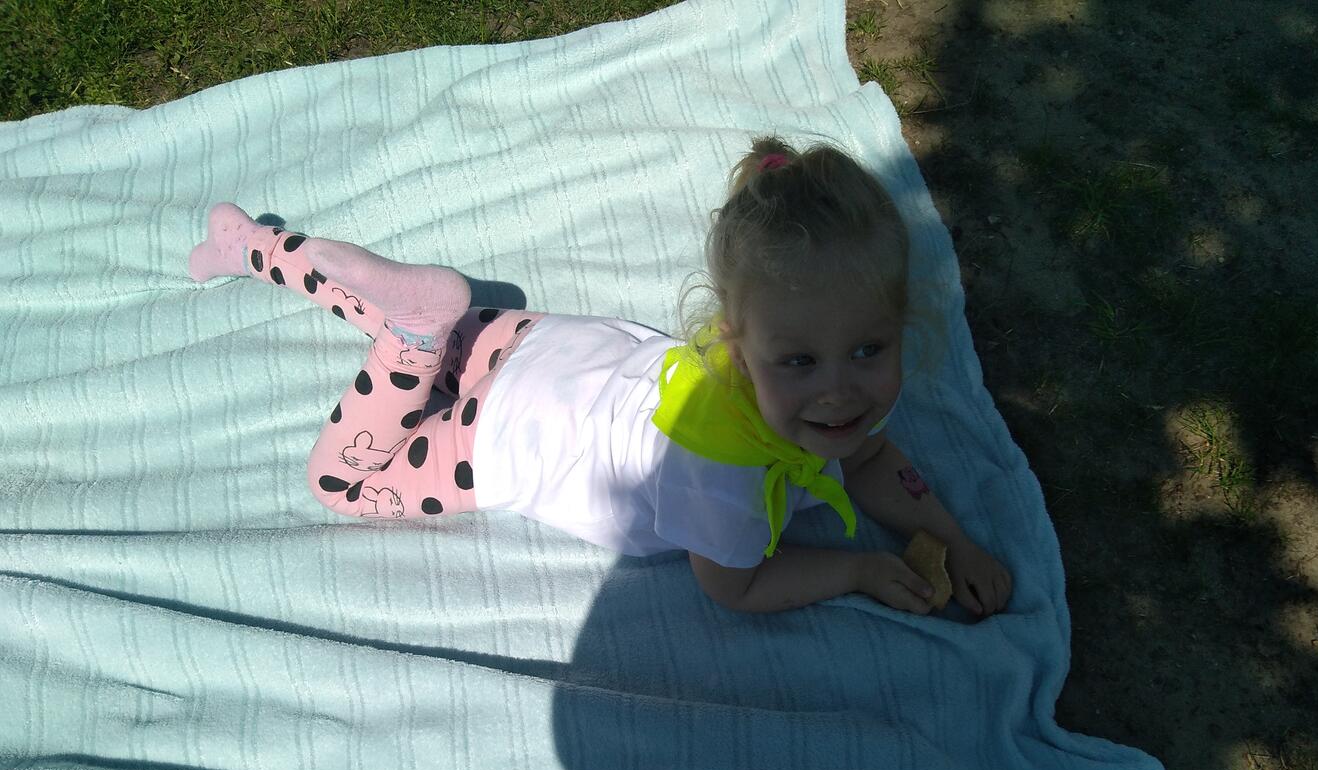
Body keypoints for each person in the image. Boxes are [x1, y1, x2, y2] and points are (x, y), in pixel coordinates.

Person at [187, 135, 1012, 617]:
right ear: (738, 345)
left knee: (403, 316)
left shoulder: (781, 359)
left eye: (868, 350)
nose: (840, 391)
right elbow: (737, 587)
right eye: (800, 362)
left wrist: (956, 540)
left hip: (550, 344)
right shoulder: (723, 473)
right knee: (342, 483)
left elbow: (868, 456)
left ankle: (251, 248)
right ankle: (410, 337)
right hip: (504, 430)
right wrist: (857, 569)